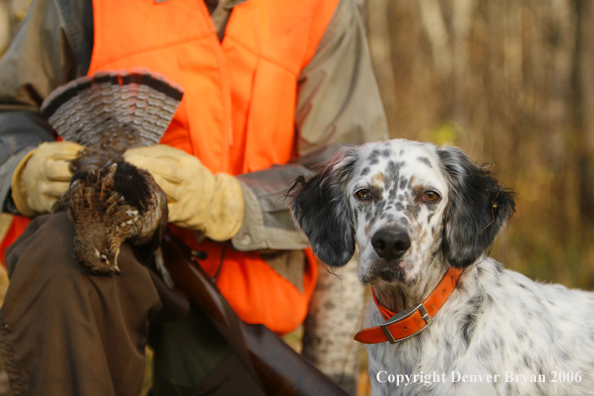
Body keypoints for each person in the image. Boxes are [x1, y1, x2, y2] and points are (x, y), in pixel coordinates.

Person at [0, 0, 388, 394]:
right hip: (100, 260)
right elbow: (9, 111)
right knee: (62, 253)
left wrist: (228, 203)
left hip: (234, 304)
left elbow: (351, 174)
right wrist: (20, 169)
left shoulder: (322, 9)